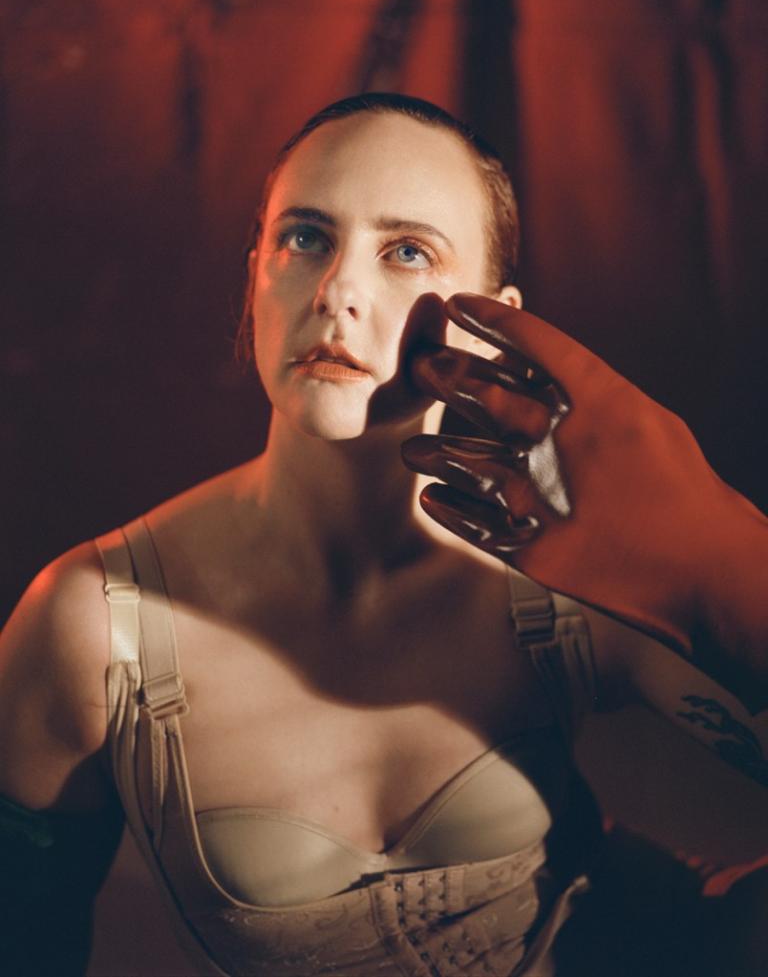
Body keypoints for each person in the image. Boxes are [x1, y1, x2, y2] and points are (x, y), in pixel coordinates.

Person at [0, 93, 766, 977]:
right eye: (305, 237)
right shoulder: (93, 627)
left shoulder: (559, 580)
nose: (336, 293)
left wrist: (727, 569)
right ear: (256, 273)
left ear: (496, 318)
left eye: (407, 252)